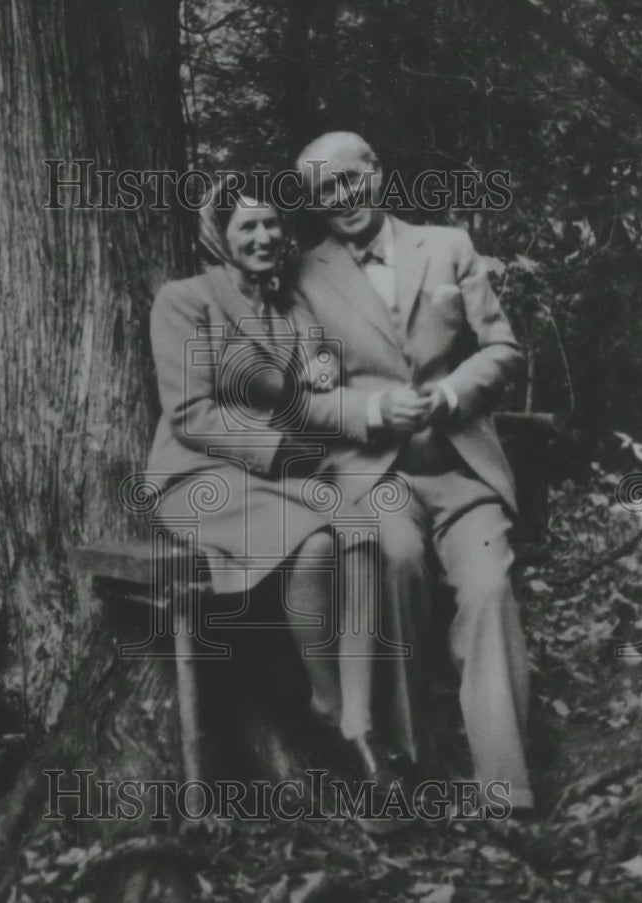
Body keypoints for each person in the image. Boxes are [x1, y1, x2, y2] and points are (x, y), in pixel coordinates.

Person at [145, 178, 413, 821]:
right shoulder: (185, 301)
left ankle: (355, 713)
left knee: (356, 527)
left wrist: (323, 386)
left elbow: (317, 389)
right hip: (200, 477)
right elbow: (192, 413)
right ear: (219, 236)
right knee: (316, 536)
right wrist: (282, 451)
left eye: (270, 226)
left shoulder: (294, 309)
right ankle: (332, 707)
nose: (264, 238)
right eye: (247, 229)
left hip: (282, 480)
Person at [288, 132, 534, 811]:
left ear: (376, 171)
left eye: (350, 179)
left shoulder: (447, 246)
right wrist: (370, 406)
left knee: (488, 587)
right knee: (392, 562)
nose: (342, 198)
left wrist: (453, 393)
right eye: (323, 191)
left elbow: (503, 348)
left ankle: (506, 786)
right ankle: (402, 763)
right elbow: (305, 395)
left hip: (461, 468)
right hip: (376, 476)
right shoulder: (305, 275)